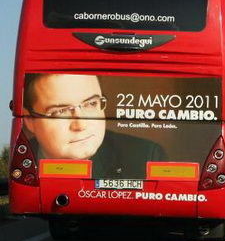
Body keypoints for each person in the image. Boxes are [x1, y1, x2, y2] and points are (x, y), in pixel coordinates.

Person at [23, 73, 165, 179]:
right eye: (60, 111)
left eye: (91, 104)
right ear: (29, 120)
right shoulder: (23, 162)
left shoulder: (146, 156)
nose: (81, 125)